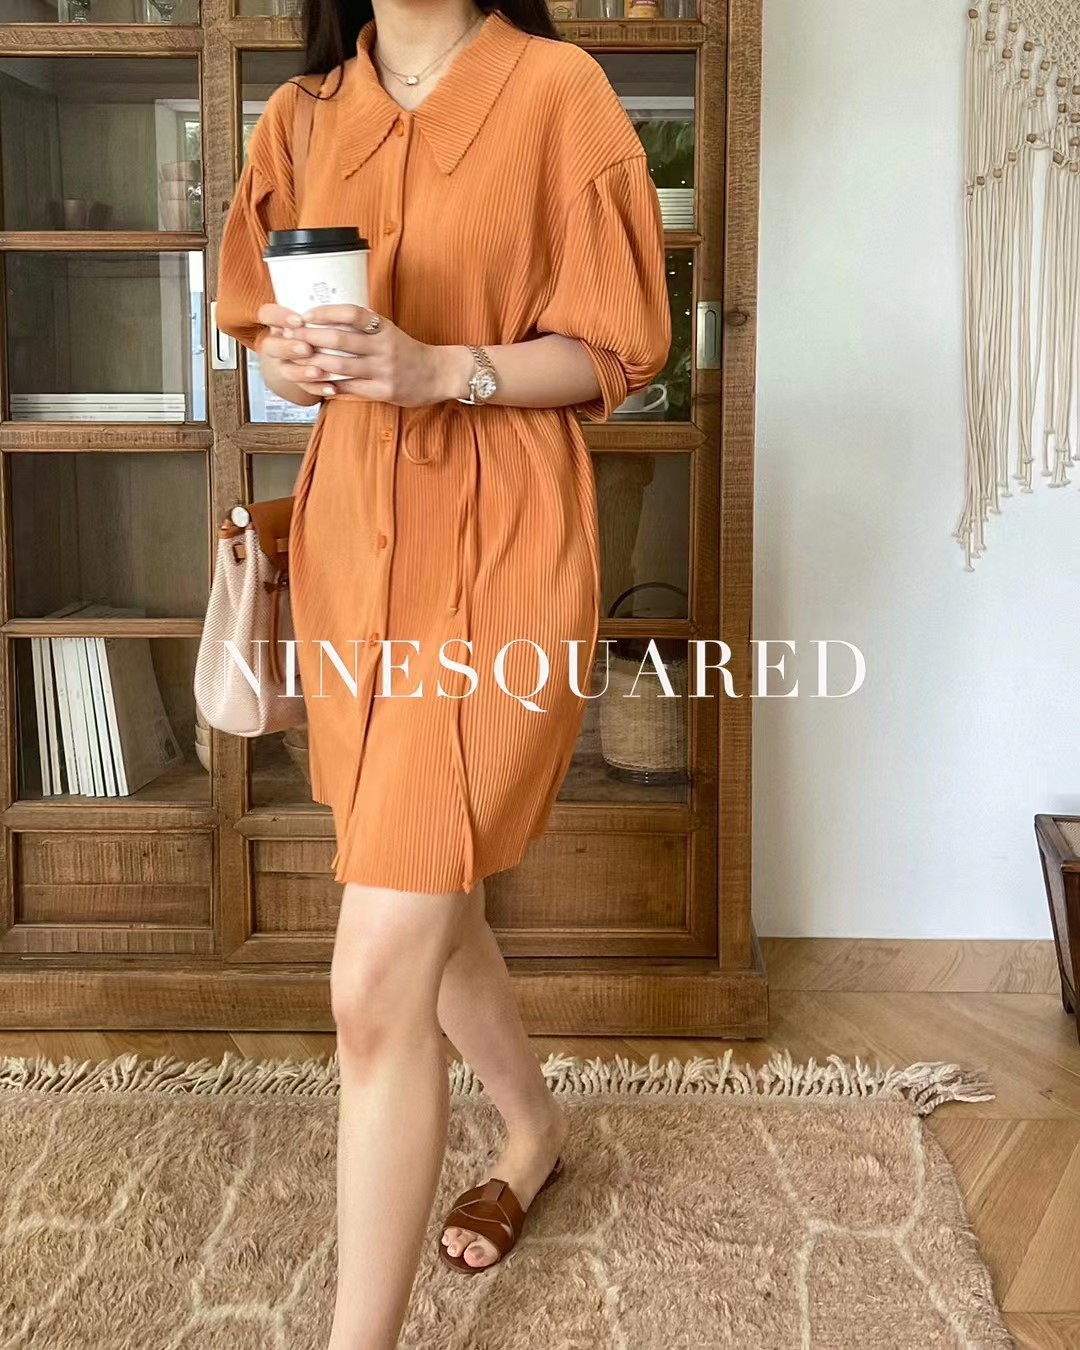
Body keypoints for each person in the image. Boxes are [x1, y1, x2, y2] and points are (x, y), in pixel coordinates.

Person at [215, 0, 670, 1343]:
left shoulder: (558, 90)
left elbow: (616, 351)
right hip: (354, 550)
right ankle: (532, 1132)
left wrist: (437, 368)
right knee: (428, 886)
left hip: (502, 555)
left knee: (373, 979)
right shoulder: (303, 116)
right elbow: (260, 324)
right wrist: (297, 357)